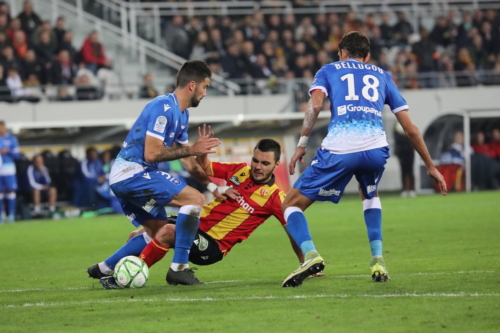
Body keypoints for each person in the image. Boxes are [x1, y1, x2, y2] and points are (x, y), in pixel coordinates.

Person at [280, 31, 447, 288]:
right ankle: (378, 260)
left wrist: (302, 144)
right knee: (370, 194)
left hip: (340, 148)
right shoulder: (382, 75)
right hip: (376, 149)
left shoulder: (329, 69)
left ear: (342, 53)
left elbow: (314, 106)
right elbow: (411, 129)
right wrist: (431, 166)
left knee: (290, 205)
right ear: (367, 56)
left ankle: (311, 255)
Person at [89, 138, 311, 289]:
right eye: (255, 160)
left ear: (276, 165)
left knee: (165, 232)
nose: (258, 166)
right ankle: (104, 268)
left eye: (265, 163)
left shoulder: (275, 198)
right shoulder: (239, 171)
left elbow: (292, 231)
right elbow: (206, 168)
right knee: (141, 233)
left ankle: (129, 278)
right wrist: (202, 154)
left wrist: (304, 264)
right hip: (194, 224)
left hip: (213, 246)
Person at [88, 60, 230, 286]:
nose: (205, 93)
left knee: (159, 231)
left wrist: (213, 186)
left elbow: (188, 161)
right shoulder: (163, 107)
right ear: (192, 85)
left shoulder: (182, 115)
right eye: (205, 87)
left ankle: (104, 268)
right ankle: (179, 268)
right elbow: (152, 154)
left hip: (128, 177)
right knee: (195, 200)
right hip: (132, 172)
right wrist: (192, 149)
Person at [0, 121, 20, 222]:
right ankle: (1, 216)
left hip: (8, 168)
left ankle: (11, 215)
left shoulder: (12, 139)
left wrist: (8, 151)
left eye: (2, 126)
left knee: (11, 190)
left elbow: (17, 155)